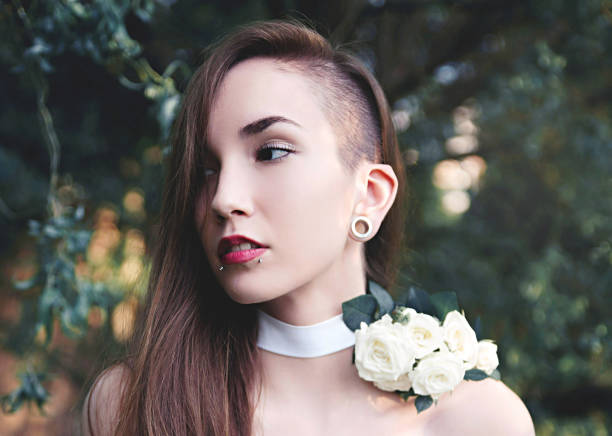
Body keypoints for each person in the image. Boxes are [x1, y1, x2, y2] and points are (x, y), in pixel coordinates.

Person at [82, 19, 535, 436]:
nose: (223, 199)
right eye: (205, 169)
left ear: (371, 194)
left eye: (271, 151)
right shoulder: (129, 406)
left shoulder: (476, 419)